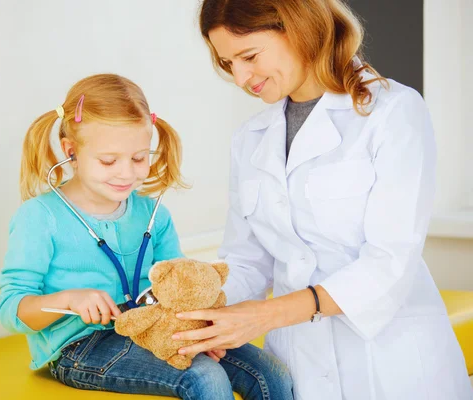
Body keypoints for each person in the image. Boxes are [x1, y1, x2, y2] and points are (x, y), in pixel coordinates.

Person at [171, 1, 473, 399]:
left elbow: (389, 263)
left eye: (248, 56)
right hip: (300, 363)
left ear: (298, 27)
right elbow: (246, 260)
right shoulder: (251, 137)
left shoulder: (393, 111)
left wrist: (261, 317)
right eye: (228, 63)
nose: (240, 76)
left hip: (389, 362)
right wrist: (206, 313)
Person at [0, 73, 294, 399]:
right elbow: (12, 310)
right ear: (71, 152)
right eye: (109, 161)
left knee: (271, 372)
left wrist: (199, 333)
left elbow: (179, 286)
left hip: (156, 329)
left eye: (139, 158)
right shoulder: (40, 217)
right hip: (82, 346)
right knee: (204, 377)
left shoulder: (153, 214)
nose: (127, 172)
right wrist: (69, 300)